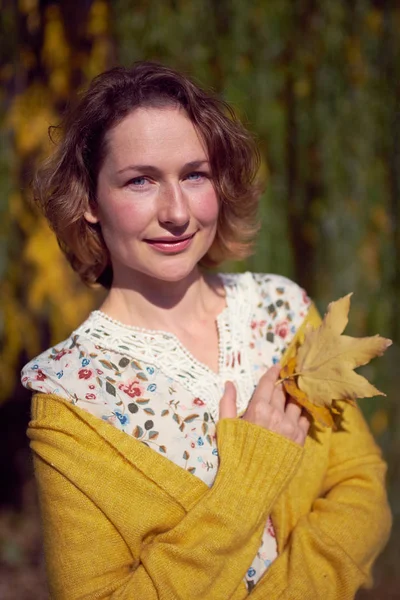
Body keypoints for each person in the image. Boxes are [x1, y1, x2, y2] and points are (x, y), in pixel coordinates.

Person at [21, 62, 391, 600]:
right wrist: (246, 485)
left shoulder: (282, 311)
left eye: (194, 174)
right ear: (89, 202)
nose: (176, 212)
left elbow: (361, 486)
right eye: (140, 180)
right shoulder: (71, 399)